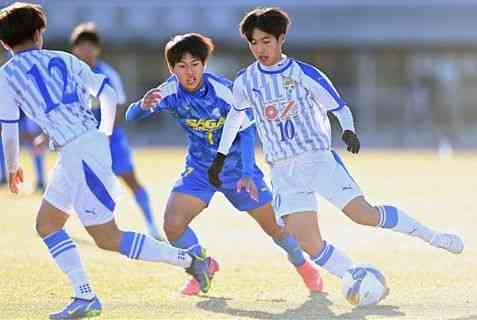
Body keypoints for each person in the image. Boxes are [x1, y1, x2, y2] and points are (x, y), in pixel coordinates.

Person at [209, 6, 464, 293]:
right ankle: (355, 276)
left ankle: (434, 236)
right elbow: (235, 119)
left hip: (317, 160)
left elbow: (339, 108)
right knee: (305, 240)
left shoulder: (304, 74)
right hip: (282, 170)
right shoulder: (246, 81)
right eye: (253, 43)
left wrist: (348, 130)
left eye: (266, 41)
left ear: (281, 39)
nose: (259, 49)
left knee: (363, 215)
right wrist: (220, 156)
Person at [0, 3, 212, 319]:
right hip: (81, 148)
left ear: (5, 43)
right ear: (38, 34)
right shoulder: (65, 58)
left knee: (108, 237)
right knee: (47, 224)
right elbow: (108, 93)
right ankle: (84, 296)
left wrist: (14, 166)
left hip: (78, 151)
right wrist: (103, 132)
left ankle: (191, 262)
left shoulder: (6, 74)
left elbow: (9, 126)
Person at [126, 33, 322, 296]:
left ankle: (304, 266)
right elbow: (131, 116)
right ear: (172, 69)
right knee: (172, 225)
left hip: (238, 171)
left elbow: (248, 132)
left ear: (204, 64)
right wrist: (140, 105)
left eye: (195, 64)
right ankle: (202, 266)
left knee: (275, 227)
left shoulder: (224, 91)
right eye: (181, 66)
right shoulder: (169, 91)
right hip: (200, 170)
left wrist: (247, 172)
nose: (189, 72)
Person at [68, 22, 162, 240]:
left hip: (110, 138)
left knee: (130, 179)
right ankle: (61, 224)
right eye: (82, 46)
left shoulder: (107, 73)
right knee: (75, 181)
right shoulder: (70, 74)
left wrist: (105, 134)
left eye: (91, 46)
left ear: (98, 49)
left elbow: (119, 106)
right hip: (81, 141)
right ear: (75, 49)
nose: (86, 50)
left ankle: (151, 225)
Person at [20, 113, 46, 191]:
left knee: (38, 156)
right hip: (27, 132)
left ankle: (40, 181)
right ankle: (40, 181)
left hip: (38, 134)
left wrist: (39, 137)